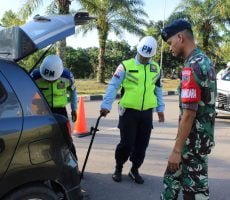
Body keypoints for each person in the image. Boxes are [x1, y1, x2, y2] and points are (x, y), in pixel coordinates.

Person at [160, 19, 216, 200]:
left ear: (180, 37)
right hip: (198, 141)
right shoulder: (205, 60)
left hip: (191, 145)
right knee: (173, 182)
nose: (170, 47)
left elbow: (189, 114)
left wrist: (177, 151)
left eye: (170, 43)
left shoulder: (192, 67)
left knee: (193, 191)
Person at [100, 36, 165, 184]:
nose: (144, 58)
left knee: (142, 144)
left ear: (153, 55)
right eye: (142, 55)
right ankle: (118, 167)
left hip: (147, 113)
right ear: (138, 50)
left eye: (147, 57)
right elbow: (113, 86)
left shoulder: (156, 68)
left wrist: (160, 109)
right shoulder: (125, 66)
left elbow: (159, 89)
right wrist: (106, 105)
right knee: (126, 143)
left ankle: (134, 169)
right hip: (128, 112)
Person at [31, 54, 78, 157]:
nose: (50, 81)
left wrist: (74, 109)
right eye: (47, 79)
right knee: (43, 139)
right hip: (41, 111)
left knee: (66, 138)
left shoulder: (67, 76)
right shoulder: (34, 77)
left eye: (53, 79)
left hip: (60, 111)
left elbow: (73, 92)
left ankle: (74, 163)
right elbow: (27, 93)